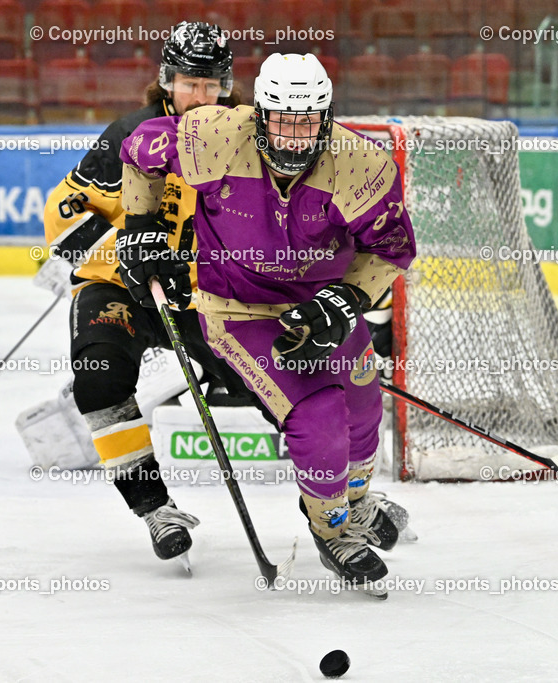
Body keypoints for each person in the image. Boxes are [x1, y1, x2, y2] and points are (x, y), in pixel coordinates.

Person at [117, 53, 417, 590]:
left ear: (326, 117)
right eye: (282, 119)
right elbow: (137, 149)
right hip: (238, 310)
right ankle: (333, 529)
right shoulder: (211, 134)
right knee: (318, 414)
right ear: (260, 114)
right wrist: (140, 227)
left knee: (364, 405)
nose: (294, 136)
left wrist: (347, 297)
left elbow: (391, 249)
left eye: (307, 122)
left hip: (322, 306)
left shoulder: (361, 165)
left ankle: (352, 500)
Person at [39, 21, 259, 569]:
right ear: (166, 80)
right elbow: (64, 219)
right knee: (98, 379)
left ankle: (340, 503)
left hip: (205, 295)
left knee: (270, 376)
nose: (201, 97)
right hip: (120, 288)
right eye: (190, 84)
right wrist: (128, 247)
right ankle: (155, 508)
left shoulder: (248, 142)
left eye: (212, 86)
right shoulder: (129, 135)